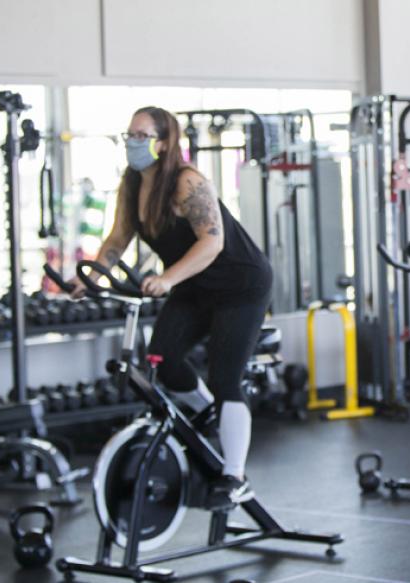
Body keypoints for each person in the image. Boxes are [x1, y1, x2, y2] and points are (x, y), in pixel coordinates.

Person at [69, 106, 272, 506]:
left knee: (225, 377)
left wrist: (166, 279)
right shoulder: (131, 184)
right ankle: (212, 413)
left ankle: (234, 476)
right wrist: (89, 277)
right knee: (162, 358)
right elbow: (117, 239)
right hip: (193, 284)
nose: (132, 142)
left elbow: (212, 242)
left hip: (239, 283)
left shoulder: (186, 181)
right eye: (129, 134)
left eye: (141, 136)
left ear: (163, 143)